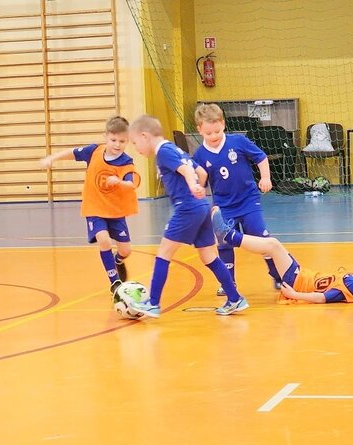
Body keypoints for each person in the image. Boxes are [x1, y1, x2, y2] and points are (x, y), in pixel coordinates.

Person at [127, 114, 248, 318]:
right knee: (208, 256)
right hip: (201, 206)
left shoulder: (163, 152)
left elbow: (186, 170)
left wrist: (192, 186)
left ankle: (153, 303)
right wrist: (199, 189)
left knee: (163, 253)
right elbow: (201, 171)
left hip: (187, 208)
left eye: (135, 142)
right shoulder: (175, 149)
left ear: (145, 136)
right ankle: (235, 298)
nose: (136, 148)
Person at [210, 206, 353, 303]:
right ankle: (274, 273)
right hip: (301, 276)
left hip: (298, 281)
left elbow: (323, 298)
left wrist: (295, 295)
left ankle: (228, 235)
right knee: (271, 248)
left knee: (273, 245)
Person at [40, 116, 139, 295]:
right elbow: (72, 153)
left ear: (128, 141)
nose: (117, 145)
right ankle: (115, 282)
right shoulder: (93, 151)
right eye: (113, 140)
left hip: (115, 211)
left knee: (126, 250)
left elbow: (131, 184)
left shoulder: (126, 161)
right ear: (105, 136)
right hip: (94, 208)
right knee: (104, 240)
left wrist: (118, 181)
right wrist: (52, 158)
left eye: (122, 141)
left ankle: (118, 260)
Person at [192, 103, 281, 295]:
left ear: (223, 124)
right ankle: (229, 282)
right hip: (224, 206)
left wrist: (265, 177)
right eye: (208, 133)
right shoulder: (200, 155)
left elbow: (261, 158)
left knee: (261, 237)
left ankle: (277, 275)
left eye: (217, 131)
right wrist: (197, 190)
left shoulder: (238, 141)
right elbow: (200, 181)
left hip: (248, 201)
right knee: (224, 242)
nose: (214, 136)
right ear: (199, 130)